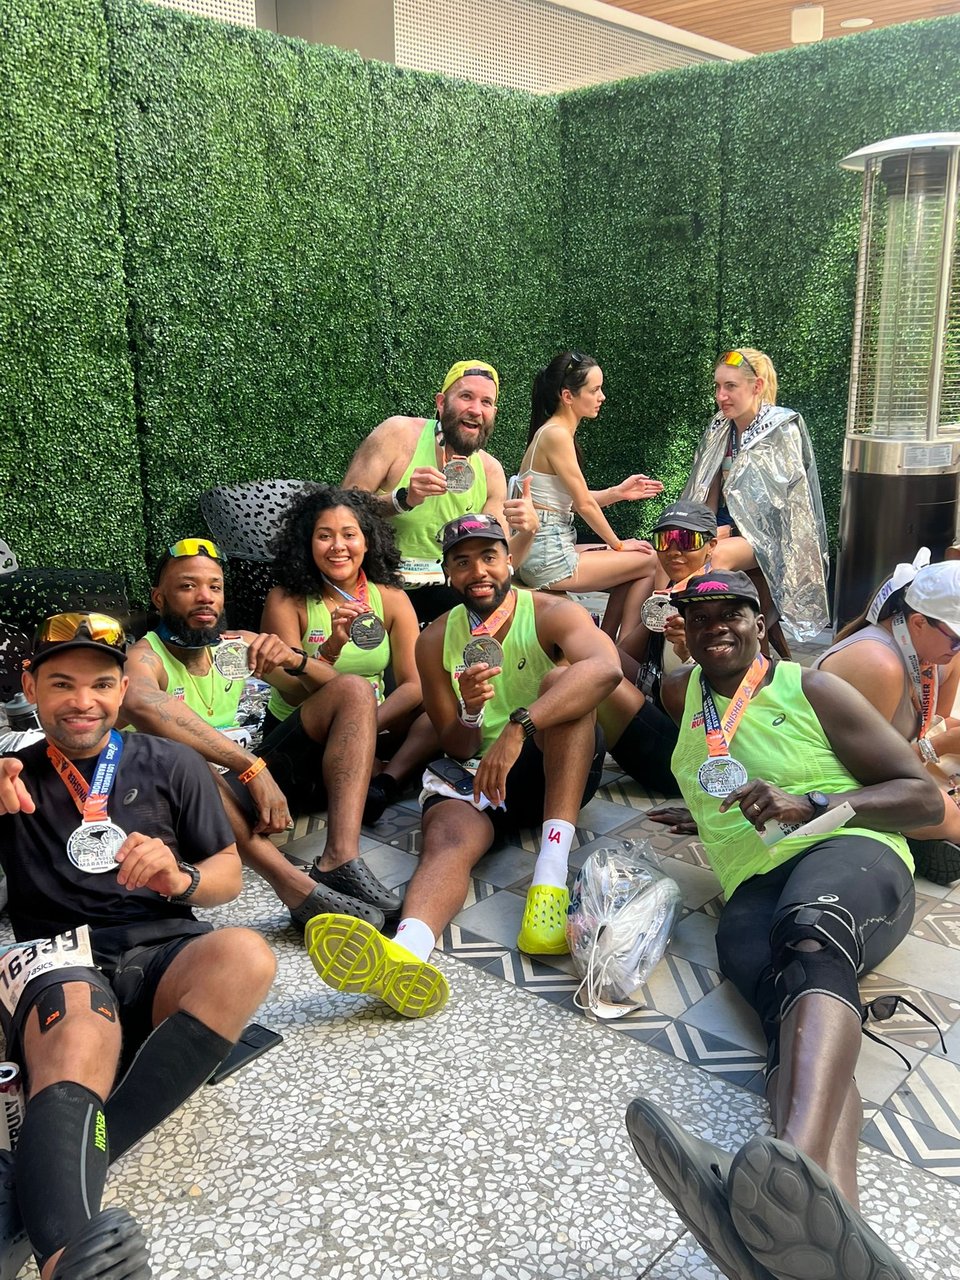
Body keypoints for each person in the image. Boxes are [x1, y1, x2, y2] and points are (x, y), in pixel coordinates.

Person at [624, 570, 941, 1280]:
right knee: (786, 1010)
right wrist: (702, 815)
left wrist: (813, 799)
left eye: (731, 613)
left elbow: (924, 798)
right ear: (684, 630)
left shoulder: (812, 688)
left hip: (846, 853)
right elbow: (722, 769)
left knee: (812, 939)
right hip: (751, 885)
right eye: (699, 617)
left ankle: (776, 1172)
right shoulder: (683, 699)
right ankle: (833, 1237)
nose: (716, 627)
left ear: (760, 622)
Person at [0, 612, 276, 1280]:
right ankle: (66, 1251)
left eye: (100, 683)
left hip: (163, 954)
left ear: (123, 689)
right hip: (61, 961)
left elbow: (227, 879)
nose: (82, 701)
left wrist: (177, 875)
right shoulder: (11, 776)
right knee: (77, 1017)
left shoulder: (174, 761)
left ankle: (57, 1168)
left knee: (248, 957)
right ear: (30, 687)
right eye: (61, 684)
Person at [303, 513, 622, 1017]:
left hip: (553, 765)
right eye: (463, 561)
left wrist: (520, 727)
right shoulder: (434, 641)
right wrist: (472, 709)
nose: (479, 571)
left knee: (561, 686)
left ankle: (550, 876)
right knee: (446, 842)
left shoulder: (551, 613)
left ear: (509, 560)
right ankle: (405, 954)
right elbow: (453, 743)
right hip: (480, 773)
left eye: (489, 556)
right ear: (448, 573)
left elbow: (607, 668)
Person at [121, 538, 401, 935]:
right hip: (185, 808)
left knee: (356, 691)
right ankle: (295, 888)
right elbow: (142, 701)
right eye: (187, 586)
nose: (205, 598)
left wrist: (294, 658)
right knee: (186, 757)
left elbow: (336, 693)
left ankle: (340, 858)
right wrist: (251, 767)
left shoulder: (238, 646)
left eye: (214, 587)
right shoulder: (144, 658)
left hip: (245, 791)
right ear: (159, 598)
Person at [262, 484, 437, 824]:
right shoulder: (286, 600)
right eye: (324, 536)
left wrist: (365, 726)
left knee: (441, 707)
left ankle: (385, 781)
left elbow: (414, 684)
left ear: (367, 541)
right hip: (304, 730)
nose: (338, 547)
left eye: (349, 535)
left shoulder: (388, 597)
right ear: (307, 544)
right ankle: (373, 776)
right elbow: (290, 689)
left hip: (374, 721)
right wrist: (328, 650)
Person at [342, 360, 538, 623]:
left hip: (445, 589)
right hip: (377, 580)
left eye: (486, 402)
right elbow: (342, 508)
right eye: (466, 396)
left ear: (494, 412)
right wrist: (401, 500)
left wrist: (529, 531)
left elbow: (499, 563)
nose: (475, 410)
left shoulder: (491, 471)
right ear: (441, 402)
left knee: (518, 614)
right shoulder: (398, 434)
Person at [814, 555, 960, 885]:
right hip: (837, 784)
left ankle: (916, 835)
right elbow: (865, 773)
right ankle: (914, 834)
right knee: (947, 814)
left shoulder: (941, 653)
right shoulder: (879, 663)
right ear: (920, 622)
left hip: (888, 765)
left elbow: (934, 722)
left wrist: (941, 743)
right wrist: (940, 746)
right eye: (957, 638)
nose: (958, 647)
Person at [681, 348, 830, 645]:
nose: (720, 395)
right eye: (718, 386)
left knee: (717, 555)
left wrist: (728, 532)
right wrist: (701, 530)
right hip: (724, 530)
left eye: (730, 386)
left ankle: (694, 630)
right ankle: (659, 650)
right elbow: (706, 492)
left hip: (770, 539)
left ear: (757, 387)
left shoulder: (780, 429)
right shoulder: (720, 428)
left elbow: (786, 511)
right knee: (674, 545)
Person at [514, 350, 663, 639]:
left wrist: (618, 493)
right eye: (595, 390)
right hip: (548, 556)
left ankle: (606, 641)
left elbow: (570, 499)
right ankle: (618, 645)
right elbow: (583, 504)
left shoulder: (552, 433)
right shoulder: (556, 434)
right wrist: (618, 545)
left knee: (636, 559)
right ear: (568, 396)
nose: (602, 396)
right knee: (650, 560)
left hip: (544, 549)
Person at [599, 500, 718, 797]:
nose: (675, 551)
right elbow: (619, 657)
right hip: (667, 728)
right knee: (592, 654)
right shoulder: (675, 596)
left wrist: (687, 649)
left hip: (695, 760)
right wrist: (658, 611)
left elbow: (728, 692)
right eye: (665, 541)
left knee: (594, 676)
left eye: (687, 540)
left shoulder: (719, 602)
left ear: (711, 546)